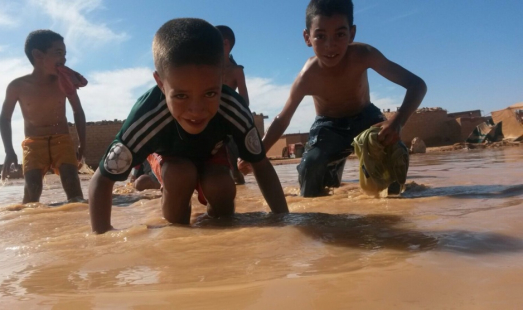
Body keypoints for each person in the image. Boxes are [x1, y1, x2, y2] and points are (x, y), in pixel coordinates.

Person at [89, 18, 289, 234]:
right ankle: (178, 231)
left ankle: (218, 233)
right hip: (170, 158)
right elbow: (101, 180)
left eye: (210, 93)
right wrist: (102, 240)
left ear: (222, 76)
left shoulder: (233, 108)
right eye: (181, 95)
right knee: (180, 175)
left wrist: (286, 222)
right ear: (161, 84)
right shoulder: (147, 116)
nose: (196, 110)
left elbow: (261, 166)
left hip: (211, 153)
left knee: (221, 185)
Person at [241, 0, 427, 197]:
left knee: (394, 152)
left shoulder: (364, 55)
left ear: (352, 34)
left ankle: (394, 206)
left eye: (340, 34)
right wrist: (256, 154)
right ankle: (321, 207)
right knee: (310, 167)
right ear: (307, 37)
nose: (330, 45)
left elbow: (417, 85)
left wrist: (397, 121)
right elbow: (282, 120)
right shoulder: (307, 76)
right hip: (328, 128)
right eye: (320, 36)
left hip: (366, 118)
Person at [0, 29, 87, 203]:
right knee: (32, 187)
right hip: (34, 142)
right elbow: (5, 118)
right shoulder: (18, 86)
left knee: (71, 181)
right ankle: (31, 225)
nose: (64, 59)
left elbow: (78, 111)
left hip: (62, 139)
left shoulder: (64, 82)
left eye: (65, 54)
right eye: (58, 53)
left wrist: (83, 144)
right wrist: (9, 151)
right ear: (38, 55)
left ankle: (78, 218)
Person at [216, 25, 249, 185]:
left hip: (230, 122)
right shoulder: (209, 69)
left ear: (225, 44)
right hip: (210, 120)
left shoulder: (236, 71)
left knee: (235, 171)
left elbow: (245, 101)